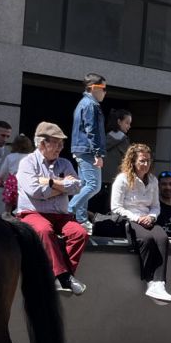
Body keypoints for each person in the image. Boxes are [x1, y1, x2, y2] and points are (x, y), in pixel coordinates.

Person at [14, 122, 89, 295]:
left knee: (80, 233)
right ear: (42, 143)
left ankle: (63, 276)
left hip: (61, 216)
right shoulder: (27, 163)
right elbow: (34, 191)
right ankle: (63, 277)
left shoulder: (64, 163)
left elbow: (77, 186)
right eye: (56, 142)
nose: (61, 147)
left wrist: (49, 182)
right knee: (44, 230)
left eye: (62, 143)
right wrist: (62, 185)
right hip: (33, 213)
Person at [110, 143, 171, 304]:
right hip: (130, 218)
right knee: (146, 239)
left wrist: (151, 217)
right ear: (133, 161)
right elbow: (116, 207)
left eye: (148, 161)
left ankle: (160, 283)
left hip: (148, 218)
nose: (146, 164)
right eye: (142, 161)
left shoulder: (152, 180)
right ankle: (150, 281)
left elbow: (156, 206)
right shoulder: (122, 179)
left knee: (162, 238)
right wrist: (137, 219)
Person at [69, 73, 108, 229]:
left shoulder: (83, 103)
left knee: (85, 185)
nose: (105, 92)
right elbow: (91, 130)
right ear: (93, 88)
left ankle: (81, 219)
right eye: (103, 88)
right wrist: (98, 153)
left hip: (81, 149)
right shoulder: (91, 105)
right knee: (93, 185)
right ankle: (68, 210)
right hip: (88, 150)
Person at [0, 133, 35, 216]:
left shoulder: (10, 157)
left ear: (14, 145)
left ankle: (6, 217)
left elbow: (1, 173)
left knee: (8, 205)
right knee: (22, 205)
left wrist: (1, 181)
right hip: (26, 182)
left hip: (12, 182)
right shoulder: (31, 157)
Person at [104, 108, 132, 172]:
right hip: (116, 177)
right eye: (127, 123)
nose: (129, 126)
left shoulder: (106, 136)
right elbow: (130, 158)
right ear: (119, 122)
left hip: (102, 175)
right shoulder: (124, 139)